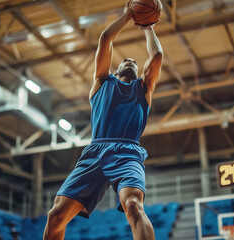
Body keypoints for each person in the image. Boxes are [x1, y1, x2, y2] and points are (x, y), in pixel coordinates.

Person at [42, 0, 163, 239]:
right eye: (126, 60)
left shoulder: (144, 89)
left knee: (134, 206)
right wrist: (129, 15)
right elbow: (106, 39)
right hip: (95, 151)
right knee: (55, 216)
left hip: (128, 152)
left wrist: (148, 27)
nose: (131, 61)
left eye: (135, 63)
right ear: (116, 70)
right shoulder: (101, 83)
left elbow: (157, 54)